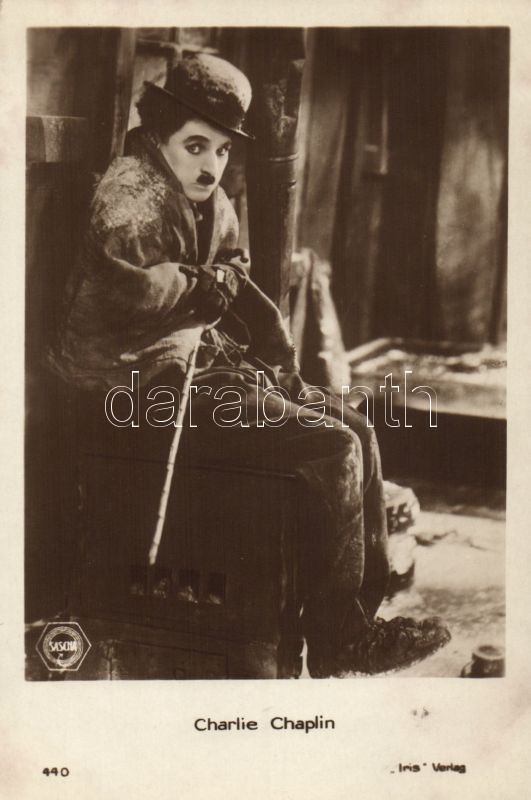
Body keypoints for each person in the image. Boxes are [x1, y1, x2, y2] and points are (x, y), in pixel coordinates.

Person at [48, 53, 450, 677]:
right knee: (331, 446)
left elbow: (233, 273)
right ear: (160, 134)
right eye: (196, 146)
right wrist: (203, 284)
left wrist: (269, 352)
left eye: (222, 150)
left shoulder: (207, 199)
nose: (211, 165)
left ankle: (354, 625)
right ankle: (339, 636)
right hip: (127, 386)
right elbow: (133, 294)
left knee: (358, 428)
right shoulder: (130, 198)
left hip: (192, 367)